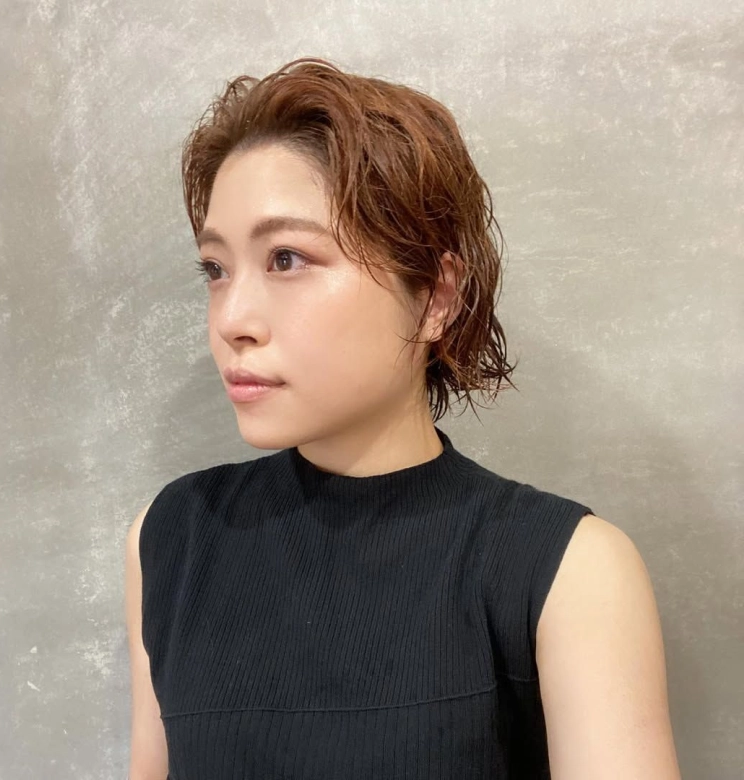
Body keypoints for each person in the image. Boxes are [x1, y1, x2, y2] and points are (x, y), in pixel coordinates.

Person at [125, 57, 681, 779]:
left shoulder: (565, 571)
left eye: (287, 259)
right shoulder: (172, 539)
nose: (232, 318)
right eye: (215, 269)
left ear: (435, 298)